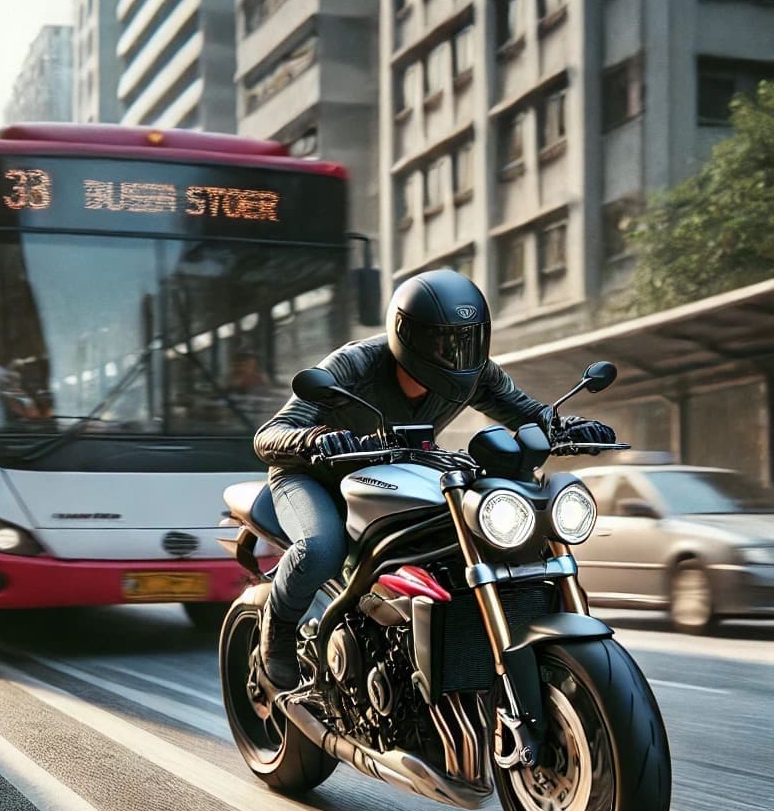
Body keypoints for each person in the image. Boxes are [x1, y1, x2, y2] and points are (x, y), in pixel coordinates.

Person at [253, 268, 615, 689]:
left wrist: (568, 427)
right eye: (443, 341)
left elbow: (530, 413)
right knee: (321, 549)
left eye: (468, 340)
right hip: (311, 476)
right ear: (409, 335)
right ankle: (274, 637)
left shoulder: (477, 373)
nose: (457, 353)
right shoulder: (355, 365)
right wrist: (316, 439)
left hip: (393, 475)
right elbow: (268, 435)